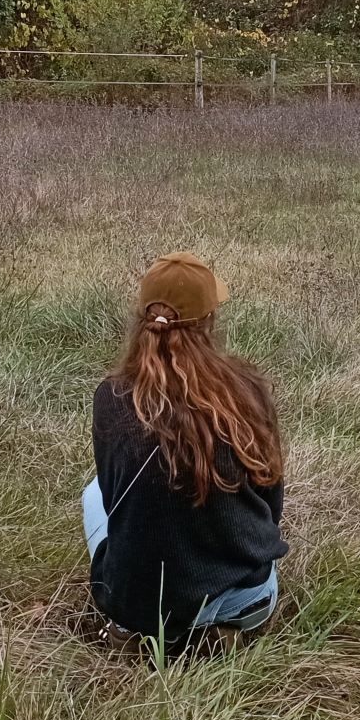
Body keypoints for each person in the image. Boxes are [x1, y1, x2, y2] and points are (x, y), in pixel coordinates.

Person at [83, 253, 287, 651]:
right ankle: (223, 628)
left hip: (138, 604)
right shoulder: (247, 391)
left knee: (92, 493)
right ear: (208, 322)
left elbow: (113, 501)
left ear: (141, 318)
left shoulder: (111, 396)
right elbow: (271, 504)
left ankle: (139, 633)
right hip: (247, 599)